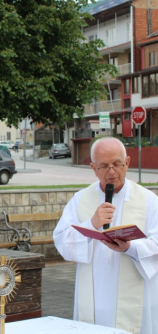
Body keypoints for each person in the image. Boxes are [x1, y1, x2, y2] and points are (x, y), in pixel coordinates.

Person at [53, 137, 158, 334]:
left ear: (127, 162)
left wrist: (130, 247)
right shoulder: (81, 199)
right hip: (95, 299)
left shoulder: (149, 201)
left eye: (117, 164)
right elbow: (61, 240)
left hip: (136, 299)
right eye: (104, 166)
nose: (111, 172)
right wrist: (91, 224)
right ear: (93, 168)